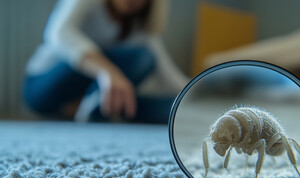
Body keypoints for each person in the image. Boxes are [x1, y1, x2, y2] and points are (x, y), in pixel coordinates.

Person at [23, 0, 188, 123]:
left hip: (102, 95)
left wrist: (203, 96)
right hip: (43, 86)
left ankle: (93, 107)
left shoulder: (142, 31)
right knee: (143, 57)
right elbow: (58, 33)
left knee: (175, 107)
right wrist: (108, 72)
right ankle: (90, 105)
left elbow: (170, 80)